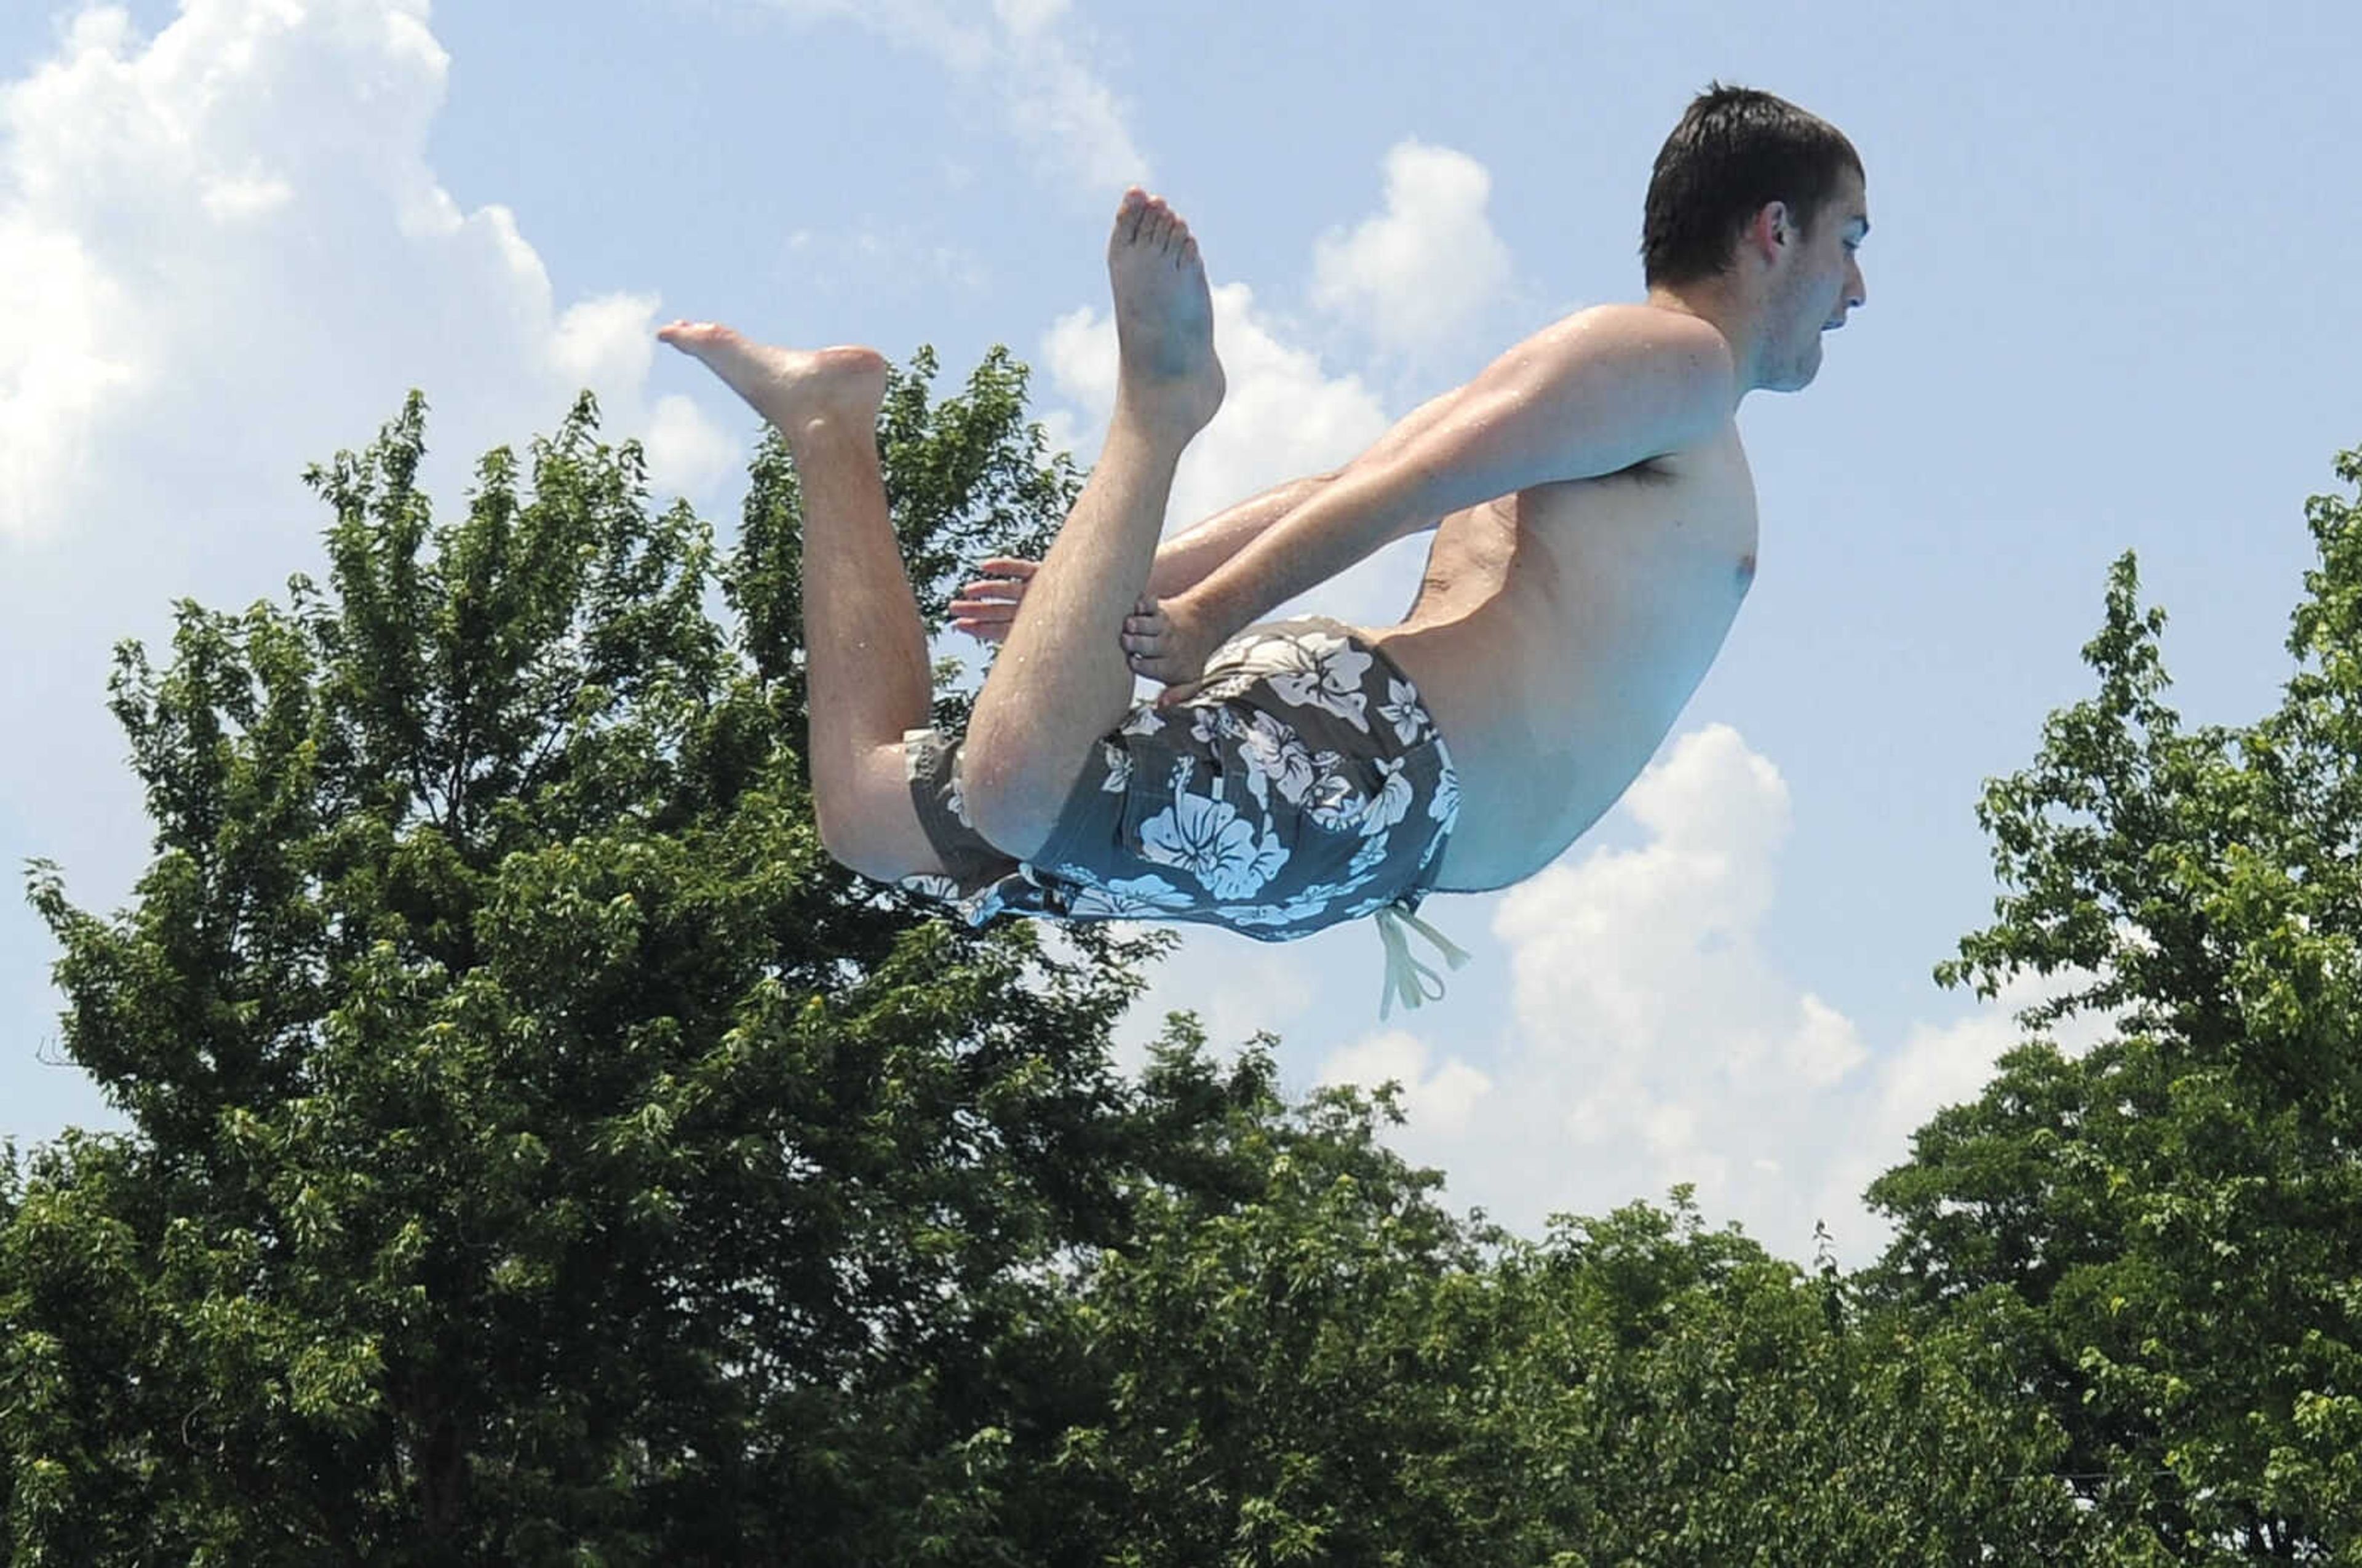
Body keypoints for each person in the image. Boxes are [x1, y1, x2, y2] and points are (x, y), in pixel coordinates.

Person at [659, 84, 1868, 1015]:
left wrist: (1127, 590)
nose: (1856, 285)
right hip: (1379, 774)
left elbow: (1360, 486)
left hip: (1369, 832)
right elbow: (1407, 487)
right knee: (1021, 786)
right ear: (1774, 229)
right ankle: (1161, 410)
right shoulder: (1681, 369)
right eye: (1848, 238)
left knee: (870, 812)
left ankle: (829, 428)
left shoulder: (1634, 395)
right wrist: (1202, 615)